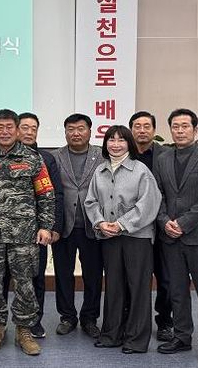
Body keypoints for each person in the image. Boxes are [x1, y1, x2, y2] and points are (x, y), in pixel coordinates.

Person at [0, 109, 56, 356]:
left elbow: (46, 194)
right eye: (0, 127)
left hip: (25, 235)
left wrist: (45, 226)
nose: (5, 131)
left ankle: (24, 330)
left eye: (10, 127)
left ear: (18, 129)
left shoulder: (33, 159)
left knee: (25, 284)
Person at [154, 109, 198, 367]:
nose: (180, 130)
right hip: (171, 237)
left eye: (185, 126)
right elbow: (157, 194)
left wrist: (182, 223)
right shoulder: (162, 159)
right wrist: (164, 221)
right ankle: (182, 337)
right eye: (175, 126)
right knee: (177, 291)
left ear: (195, 129)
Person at [84, 125, 161, 354]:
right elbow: (91, 201)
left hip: (137, 236)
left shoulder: (141, 170)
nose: (115, 144)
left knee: (138, 288)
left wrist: (121, 224)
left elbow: (148, 204)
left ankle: (136, 340)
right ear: (105, 143)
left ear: (129, 144)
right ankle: (111, 334)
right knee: (114, 286)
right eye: (111, 140)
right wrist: (100, 223)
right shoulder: (100, 171)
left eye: (121, 140)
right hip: (109, 236)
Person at [0, 112, 65, 339]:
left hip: (36, 231)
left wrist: (53, 227)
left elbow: (55, 194)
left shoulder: (45, 159)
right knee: (2, 278)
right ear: (16, 130)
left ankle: (34, 322)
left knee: (35, 278)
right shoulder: (0, 157)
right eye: (24, 127)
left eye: (33, 128)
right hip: (4, 232)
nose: (29, 132)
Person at [51, 113, 104, 339]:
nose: (76, 133)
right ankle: (67, 317)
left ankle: (90, 318)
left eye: (81, 128)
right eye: (71, 129)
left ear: (90, 131)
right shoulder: (55, 157)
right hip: (64, 226)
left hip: (94, 225)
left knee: (93, 275)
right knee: (63, 274)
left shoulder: (102, 155)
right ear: (65, 132)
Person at [129, 111, 173, 341]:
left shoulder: (166, 155)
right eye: (137, 126)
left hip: (161, 226)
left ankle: (164, 321)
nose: (142, 130)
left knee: (166, 279)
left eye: (147, 126)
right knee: (134, 278)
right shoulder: (124, 154)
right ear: (131, 130)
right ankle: (132, 321)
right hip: (134, 228)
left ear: (154, 130)